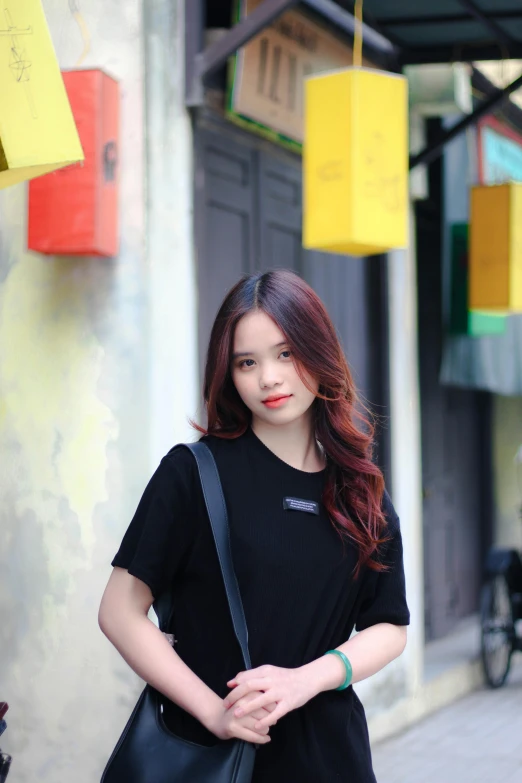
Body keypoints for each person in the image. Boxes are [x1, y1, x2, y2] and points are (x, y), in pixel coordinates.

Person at [98, 268, 410, 782]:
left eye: (286, 353)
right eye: (247, 362)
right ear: (228, 372)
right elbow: (119, 611)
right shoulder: (192, 474)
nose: (269, 378)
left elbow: (388, 626)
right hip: (208, 755)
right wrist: (213, 712)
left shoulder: (360, 489)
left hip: (328, 759)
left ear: (320, 352)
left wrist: (305, 681)